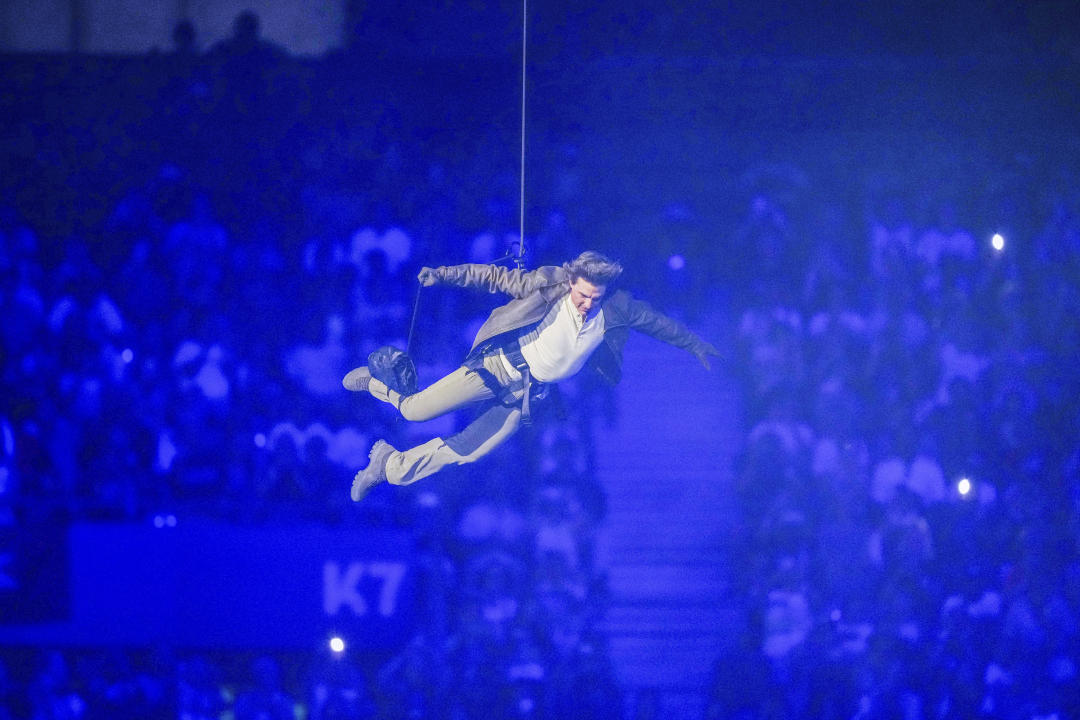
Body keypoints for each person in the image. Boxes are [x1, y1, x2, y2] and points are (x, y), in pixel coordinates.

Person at [344, 250, 719, 500]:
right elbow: (493, 277)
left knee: (469, 451)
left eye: (596, 298)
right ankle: (374, 382)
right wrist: (444, 275)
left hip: (526, 393)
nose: (588, 304)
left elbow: (656, 323)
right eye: (583, 295)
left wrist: (695, 345)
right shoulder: (549, 285)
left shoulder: (615, 309)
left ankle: (389, 465)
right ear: (572, 282)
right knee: (414, 411)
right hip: (495, 368)